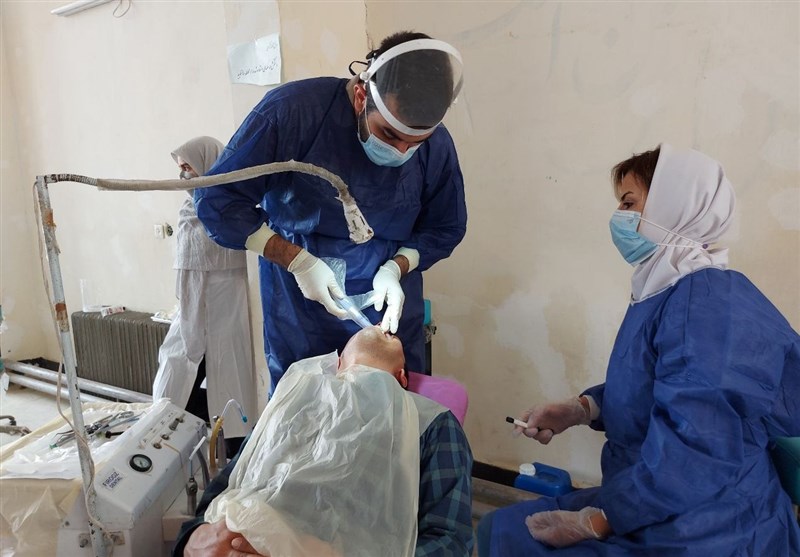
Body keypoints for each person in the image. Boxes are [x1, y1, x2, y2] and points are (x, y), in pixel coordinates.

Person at [478, 144, 800, 556]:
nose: (619, 218)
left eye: (629, 204)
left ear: (676, 205)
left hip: (709, 525)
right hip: (657, 496)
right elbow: (654, 385)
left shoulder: (706, 302)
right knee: (501, 527)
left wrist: (598, 521)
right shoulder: (672, 291)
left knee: (508, 537)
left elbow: (697, 448)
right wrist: (582, 409)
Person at [194, 31, 467, 393]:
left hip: (386, 304)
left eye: (415, 143)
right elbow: (219, 201)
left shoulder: (436, 143)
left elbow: (445, 226)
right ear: (361, 96)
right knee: (306, 407)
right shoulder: (293, 113)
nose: (401, 152)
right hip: (300, 309)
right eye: (389, 135)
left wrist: (396, 267)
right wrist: (297, 261)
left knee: (388, 409)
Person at [174, 326, 475, 557]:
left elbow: (450, 541)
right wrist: (193, 536)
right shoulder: (296, 401)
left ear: (402, 380)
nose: (380, 326)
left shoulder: (432, 425)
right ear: (337, 365)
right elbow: (231, 481)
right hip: (237, 531)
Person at [152, 136, 257, 453]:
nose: (183, 174)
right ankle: (168, 448)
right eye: (181, 168)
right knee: (174, 379)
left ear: (209, 163)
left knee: (233, 384)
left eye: (189, 166)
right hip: (190, 310)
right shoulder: (188, 209)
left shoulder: (235, 207)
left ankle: (236, 455)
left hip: (229, 306)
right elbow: (187, 270)